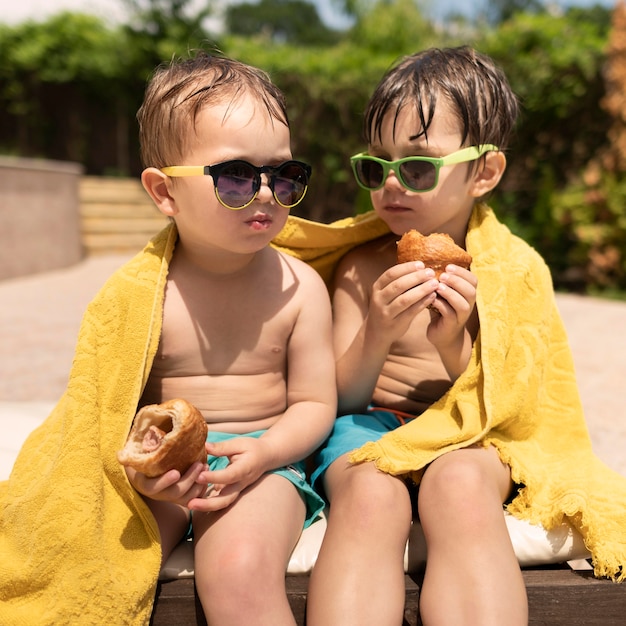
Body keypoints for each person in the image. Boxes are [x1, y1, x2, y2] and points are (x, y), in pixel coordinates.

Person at [0, 52, 335, 625]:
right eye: (234, 176)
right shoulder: (138, 294)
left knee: (236, 570)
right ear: (164, 192)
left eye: (284, 176)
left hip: (263, 462)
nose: (264, 194)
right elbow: (109, 409)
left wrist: (266, 454)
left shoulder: (299, 288)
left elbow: (314, 403)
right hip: (166, 474)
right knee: (88, 553)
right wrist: (142, 471)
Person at [306, 46, 529, 626]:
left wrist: (454, 340)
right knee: (370, 494)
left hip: (466, 432)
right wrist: (378, 329)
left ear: (485, 172)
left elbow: (508, 404)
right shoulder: (358, 268)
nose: (390, 185)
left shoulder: (504, 273)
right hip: (370, 421)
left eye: (418, 166)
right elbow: (341, 398)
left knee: (459, 489)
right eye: (375, 167)